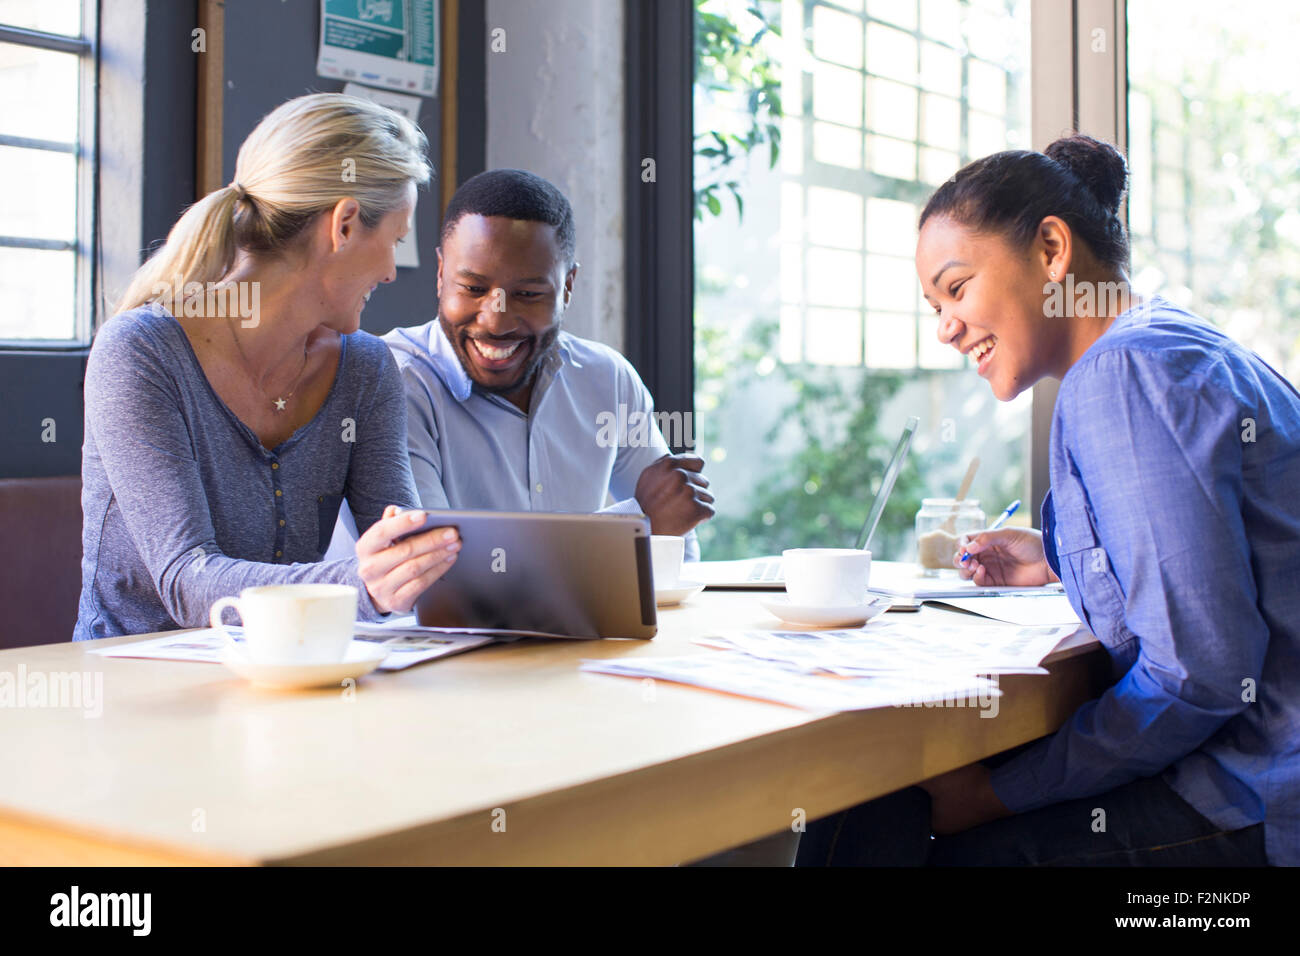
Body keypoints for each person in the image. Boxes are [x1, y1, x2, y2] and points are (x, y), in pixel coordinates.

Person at [798, 133, 1300, 866]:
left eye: (956, 287)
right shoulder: (1171, 347)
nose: (945, 327)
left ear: (1052, 251)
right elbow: (1219, 561)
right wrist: (1062, 555)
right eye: (934, 303)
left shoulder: (1122, 375)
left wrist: (998, 797)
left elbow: (1200, 673)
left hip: (1253, 798)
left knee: (888, 816)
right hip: (1259, 772)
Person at [75, 93, 461, 642]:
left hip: (288, 682)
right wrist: (362, 585)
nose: (392, 272)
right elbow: (188, 582)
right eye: (394, 241)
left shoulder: (366, 369)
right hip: (132, 697)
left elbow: (401, 552)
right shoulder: (141, 353)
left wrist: (423, 566)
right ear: (345, 224)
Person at [325, 168, 714, 559]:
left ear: (567, 287)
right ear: (441, 274)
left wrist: (652, 526)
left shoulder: (608, 379)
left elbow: (677, 551)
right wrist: (637, 524)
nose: (496, 320)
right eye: (474, 289)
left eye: (528, 294)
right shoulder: (392, 380)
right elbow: (436, 574)